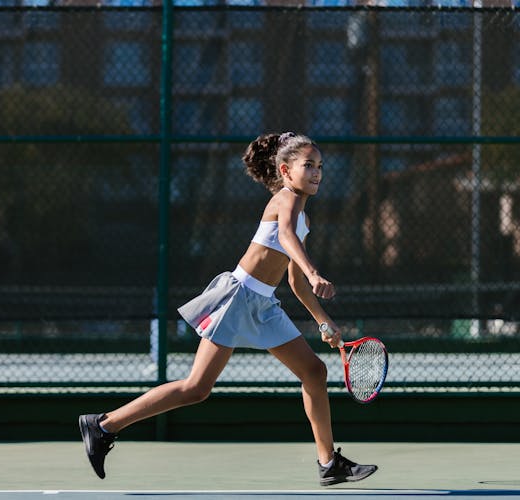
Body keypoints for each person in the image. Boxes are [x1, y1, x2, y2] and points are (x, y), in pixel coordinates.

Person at [79, 132, 378, 487]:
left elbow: (295, 281)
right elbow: (285, 237)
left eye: (320, 166)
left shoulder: (305, 219)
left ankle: (329, 463)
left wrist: (324, 321)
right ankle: (103, 425)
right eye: (308, 165)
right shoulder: (286, 200)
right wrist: (315, 271)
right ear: (285, 170)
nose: (317, 173)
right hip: (238, 299)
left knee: (313, 372)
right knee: (197, 388)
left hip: (264, 304)